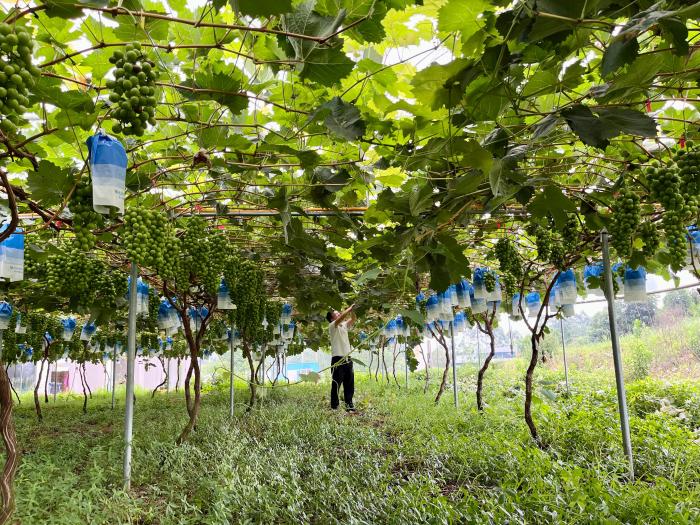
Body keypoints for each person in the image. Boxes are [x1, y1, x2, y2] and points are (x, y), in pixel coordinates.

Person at [327, 304, 357, 411]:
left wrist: (353, 311)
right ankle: (334, 406)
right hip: (337, 359)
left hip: (347, 358)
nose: (339, 313)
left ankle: (349, 404)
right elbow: (342, 318)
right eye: (336, 313)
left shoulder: (343, 325)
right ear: (331, 318)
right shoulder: (332, 326)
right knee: (336, 383)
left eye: (338, 312)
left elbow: (353, 319)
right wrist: (349, 308)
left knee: (349, 383)